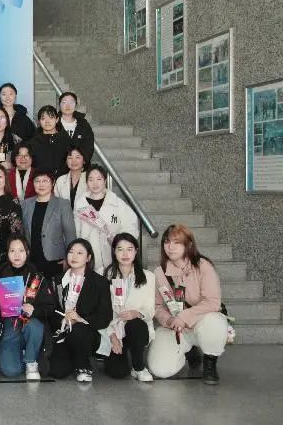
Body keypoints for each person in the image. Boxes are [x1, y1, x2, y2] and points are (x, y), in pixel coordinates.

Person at [147, 225, 227, 385]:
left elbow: (213, 301)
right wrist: (169, 320)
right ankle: (188, 350)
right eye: (167, 242)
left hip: (202, 322)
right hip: (175, 327)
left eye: (177, 242)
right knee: (160, 370)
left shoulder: (203, 266)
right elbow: (157, 306)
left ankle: (210, 362)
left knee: (214, 322)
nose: (170, 247)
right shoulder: (159, 273)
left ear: (188, 244)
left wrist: (184, 317)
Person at [48, 239, 112, 382]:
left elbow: (105, 317)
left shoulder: (100, 282)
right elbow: (51, 310)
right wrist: (63, 320)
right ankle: (73, 357)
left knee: (78, 331)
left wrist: (79, 319)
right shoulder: (57, 280)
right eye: (71, 252)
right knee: (57, 372)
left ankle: (83, 365)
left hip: (88, 333)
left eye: (80, 253)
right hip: (63, 332)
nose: (74, 256)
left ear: (88, 258)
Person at [0, 235, 56, 380]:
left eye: (21, 250)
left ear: (27, 252)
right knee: (10, 371)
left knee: (34, 326)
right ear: (7, 253)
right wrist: (2, 307)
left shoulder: (37, 276)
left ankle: (31, 360)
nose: (17, 255)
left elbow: (50, 307)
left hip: (30, 323)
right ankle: (21, 352)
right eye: (12, 250)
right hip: (9, 325)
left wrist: (35, 310)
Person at [99, 233, 156, 382]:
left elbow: (150, 309)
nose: (125, 254)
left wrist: (136, 313)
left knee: (136, 325)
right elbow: (101, 312)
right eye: (120, 249)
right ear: (114, 251)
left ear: (136, 251)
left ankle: (139, 367)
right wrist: (112, 336)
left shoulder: (148, 277)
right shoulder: (104, 275)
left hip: (135, 328)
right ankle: (121, 353)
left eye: (129, 249)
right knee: (117, 372)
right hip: (113, 330)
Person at [74, 164, 139, 274]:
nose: (95, 183)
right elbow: (76, 232)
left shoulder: (117, 203)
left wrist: (120, 243)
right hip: (89, 259)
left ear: (105, 181)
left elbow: (130, 226)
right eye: (91, 179)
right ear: (86, 182)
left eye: (99, 179)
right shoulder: (80, 205)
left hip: (114, 259)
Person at [21, 172, 77, 280]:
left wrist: (69, 258)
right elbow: (22, 232)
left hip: (55, 260)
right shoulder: (25, 204)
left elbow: (70, 234)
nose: (41, 184)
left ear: (53, 183)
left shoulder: (62, 204)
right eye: (37, 181)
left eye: (45, 181)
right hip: (31, 260)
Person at [27, 105, 72, 176]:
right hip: (40, 180)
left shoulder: (66, 140)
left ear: (57, 119)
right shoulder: (33, 143)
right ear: (39, 121)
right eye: (43, 118)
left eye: (51, 117)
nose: (47, 121)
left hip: (62, 180)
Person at [57, 92, 95, 161]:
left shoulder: (83, 124)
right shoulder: (53, 123)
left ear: (76, 106)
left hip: (78, 165)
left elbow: (89, 147)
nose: (68, 106)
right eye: (64, 102)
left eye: (71, 102)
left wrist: (80, 162)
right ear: (59, 105)